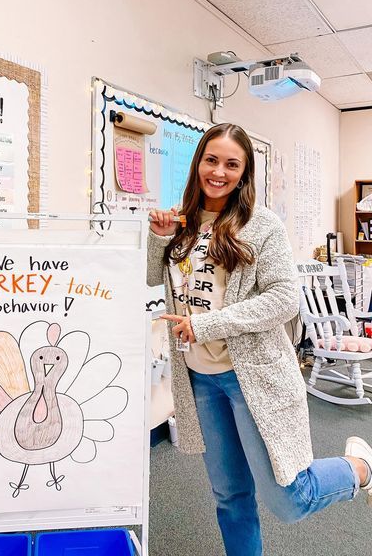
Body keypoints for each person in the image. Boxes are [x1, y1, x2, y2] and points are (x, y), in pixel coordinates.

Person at [147, 123, 372, 556]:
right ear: (198, 163)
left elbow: (285, 299)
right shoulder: (183, 222)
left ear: (244, 172)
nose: (219, 172)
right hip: (200, 379)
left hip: (252, 377)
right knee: (229, 495)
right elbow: (154, 277)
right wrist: (159, 237)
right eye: (211, 160)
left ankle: (359, 468)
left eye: (232, 164)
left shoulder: (261, 225)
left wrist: (208, 325)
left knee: (289, 499)